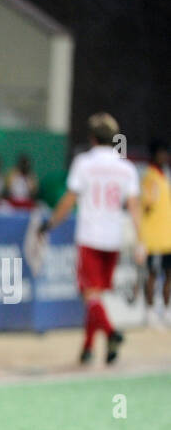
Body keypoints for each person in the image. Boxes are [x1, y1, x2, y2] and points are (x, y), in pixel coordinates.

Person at [37, 113, 139, 364]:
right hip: (113, 238)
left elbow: (68, 201)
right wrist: (141, 240)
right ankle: (88, 348)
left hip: (91, 236)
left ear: (92, 138)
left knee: (90, 295)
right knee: (96, 296)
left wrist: (49, 224)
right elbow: (134, 207)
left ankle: (112, 333)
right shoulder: (126, 167)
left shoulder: (84, 163)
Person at [138, 139, 171, 327]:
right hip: (152, 237)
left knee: (168, 274)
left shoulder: (165, 175)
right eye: (161, 153)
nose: (164, 156)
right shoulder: (149, 176)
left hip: (167, 236)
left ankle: (166, 310)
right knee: (151, 274)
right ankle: (149, 311)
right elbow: (148, 204)